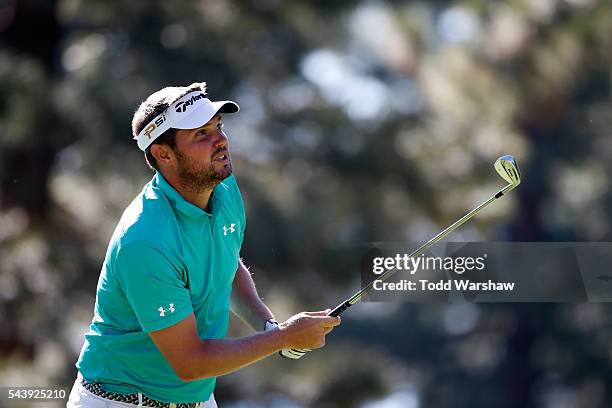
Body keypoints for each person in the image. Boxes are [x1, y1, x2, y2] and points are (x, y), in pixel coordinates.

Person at [67, 82, 341, 408]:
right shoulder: (145, 242)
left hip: (194, 399)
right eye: (201, 133)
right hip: (120, 401)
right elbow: (190, 363)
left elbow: (225, 265)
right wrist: (282, 338)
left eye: (218, 127)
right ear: (163, 154)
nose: (221, 140)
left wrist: (271, 327)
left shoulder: (222, 188)